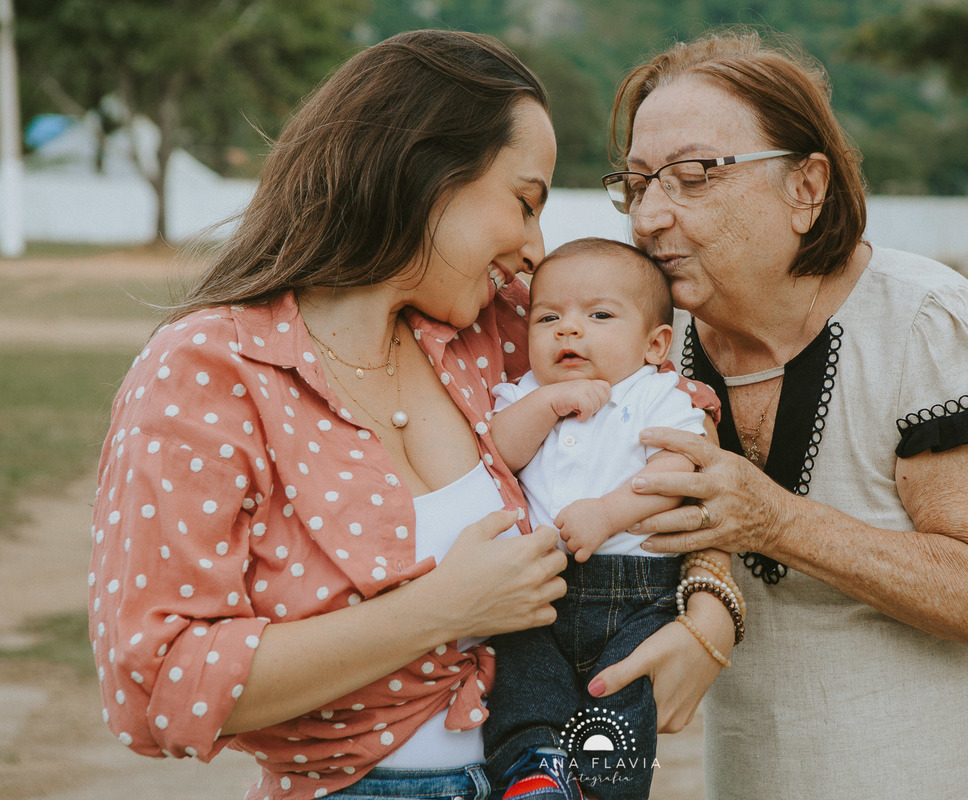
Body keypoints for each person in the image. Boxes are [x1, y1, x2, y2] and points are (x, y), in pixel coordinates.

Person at [86, 30, 730, 800]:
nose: (536, 247)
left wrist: (714, 604)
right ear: (427, 172)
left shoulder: (499, 330)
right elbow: (158, 683)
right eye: (525, 202)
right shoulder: (209, 369)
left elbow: (676, 424)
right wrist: (440, 610)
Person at [599, 30, 968, 799]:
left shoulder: (927, 327)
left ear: (806, 187)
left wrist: (776, 521)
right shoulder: (651, 342)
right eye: (638, 182)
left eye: (692, 176)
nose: (649, 215)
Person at [481, 238, 729, 799]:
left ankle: (605, 788)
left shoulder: (655, 394)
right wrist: (548, 404)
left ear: (654, 343)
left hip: (636, 591)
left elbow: (681, 467)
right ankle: (534, 772)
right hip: (539, 588)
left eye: (598, 315)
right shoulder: (523, 393)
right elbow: (500, 450)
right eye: (548, 317)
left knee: (621, 697)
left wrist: (609, 513)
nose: (569, 330)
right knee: (522, 682)